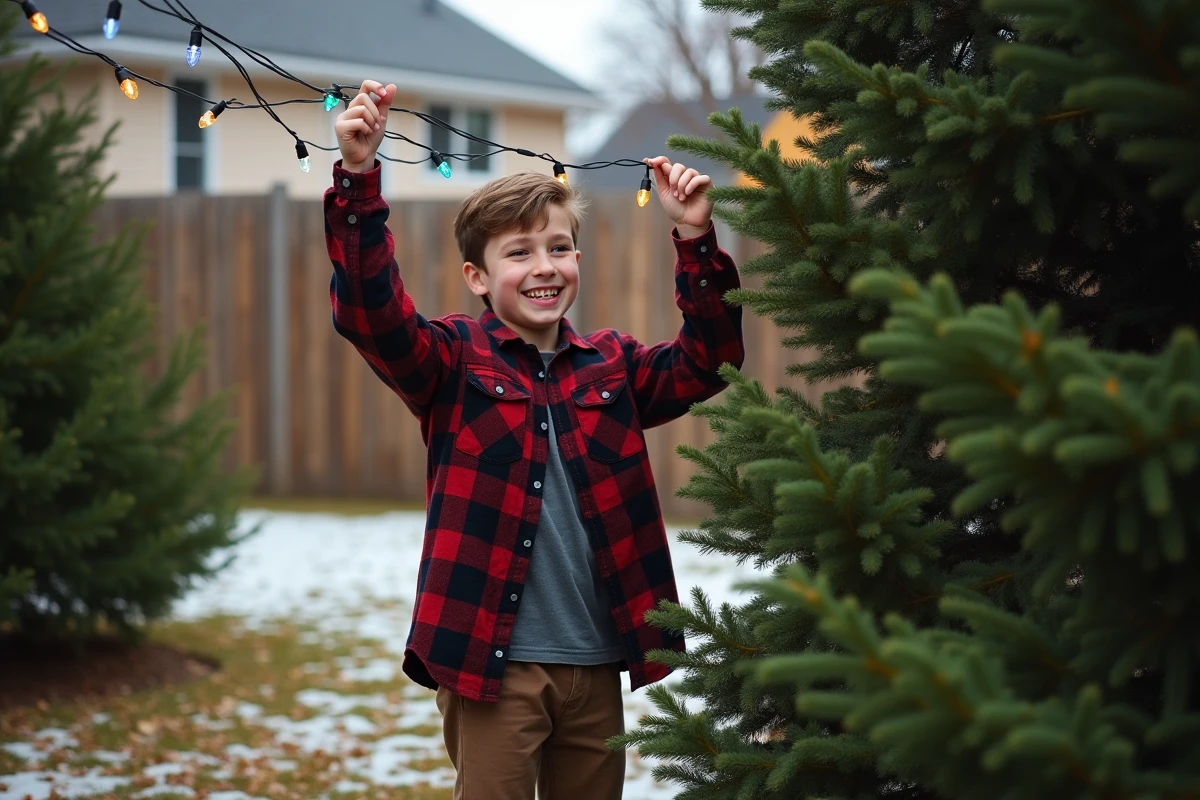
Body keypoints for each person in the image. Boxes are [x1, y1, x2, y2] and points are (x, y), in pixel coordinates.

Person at [326, 79, 745, 800]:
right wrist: (360, 180)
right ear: (478, 278)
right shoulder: (452, 364)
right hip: (493, 665)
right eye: (518, 253)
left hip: (596, 658)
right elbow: (370, 312)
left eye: (559, 247)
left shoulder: (612, 369)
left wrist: (696, 238)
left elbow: (712, 361)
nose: (544, 266)